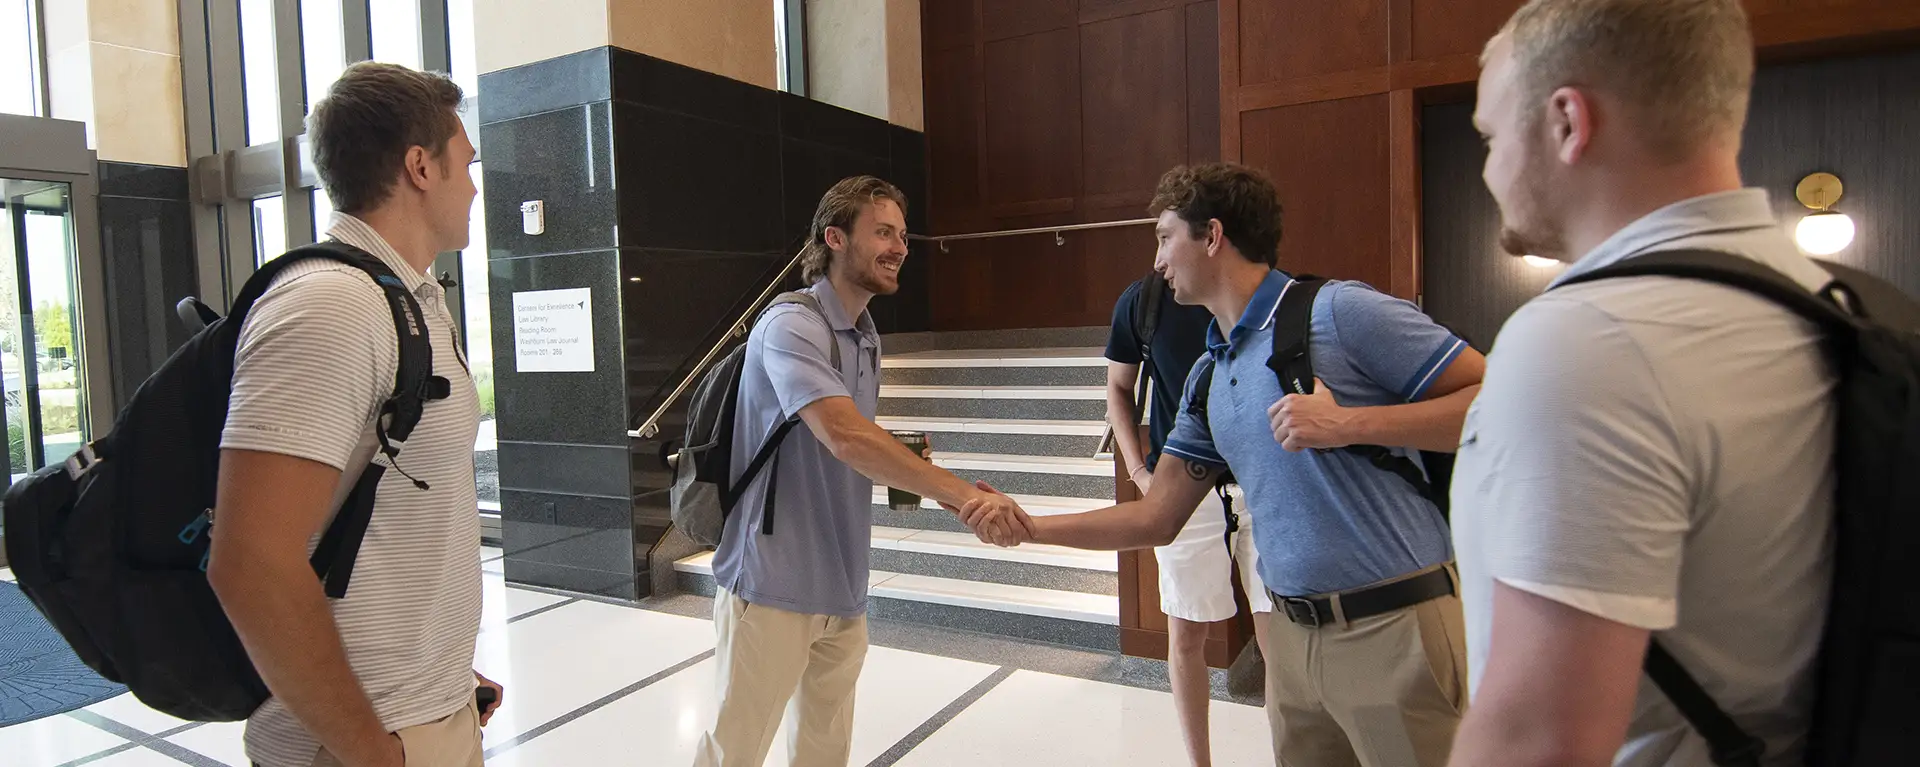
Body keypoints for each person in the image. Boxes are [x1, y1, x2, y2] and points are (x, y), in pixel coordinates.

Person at [968, 162, 1486, 767]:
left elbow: (1501, 400)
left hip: (1395, 626)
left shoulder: (1339, 312)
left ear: (1211, 236)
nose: (1158, 260)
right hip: (1293, 647)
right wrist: (1031, 526)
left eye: (1165, 237)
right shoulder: (1209, 376)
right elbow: (1157, 518)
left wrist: (1349, 423)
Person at [1447, 1, 1837, 765]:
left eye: (1490, 139)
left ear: (1567, 121)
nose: (1490, 169)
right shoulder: (1835, 305)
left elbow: (1539, 740)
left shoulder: (1585, 342)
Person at [207, 62, 500, 767]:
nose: (474, 182)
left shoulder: (408, 300)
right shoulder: (331, 306)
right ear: (420, 166)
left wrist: (448, 677)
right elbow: (251, 563)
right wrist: (371, 749)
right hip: (356, 741)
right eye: (466, 161)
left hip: (421, 712)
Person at [693, 176, 1032, 767]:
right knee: (734, 752)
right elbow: (846, 437)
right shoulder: (790, 325)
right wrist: (960, 496)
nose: (900, 246)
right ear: (835, 237)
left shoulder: (866, 337)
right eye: (882, 232)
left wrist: (963, 501)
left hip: (842, 586)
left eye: (902, 235)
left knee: (825, 754)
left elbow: (862, 447)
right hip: (771, 582)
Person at [1103, 274, 1272, 767]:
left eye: (1167, 236)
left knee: (1278, 634)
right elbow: (1118, 385)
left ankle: (1289, 750)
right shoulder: (1144, 300)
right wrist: (1139, 472)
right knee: (1186, 634)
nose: (1160, 254)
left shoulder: (1261, 290)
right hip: (1182, 485)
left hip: (1263, 479)